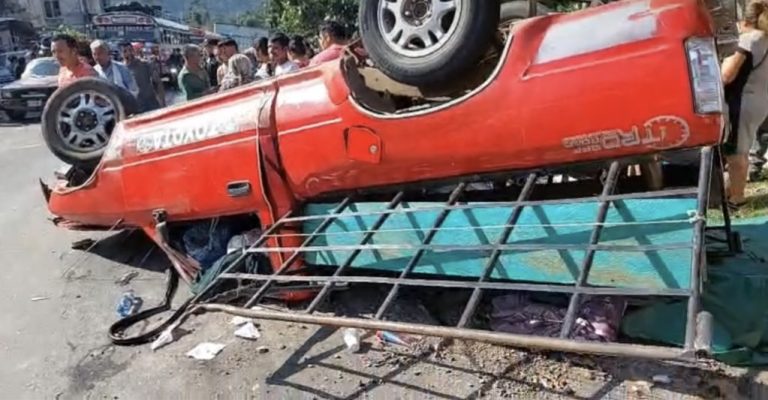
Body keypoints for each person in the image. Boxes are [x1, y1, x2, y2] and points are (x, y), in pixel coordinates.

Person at [721, 0, 768, 208]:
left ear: (743, 20)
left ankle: (737, 198)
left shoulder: (748, 40)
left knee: (736, 152)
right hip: (760, 100)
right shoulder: (765, 38)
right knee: (744, 148)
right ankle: (732, 191)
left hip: (743, 101)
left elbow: (727, 75)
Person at [122, 44, 165, 112]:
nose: (128, 53)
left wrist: (163, 103)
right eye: (125, 51)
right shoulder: (121, 70)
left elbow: (157, 82)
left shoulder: (145, 64)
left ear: (133, 51)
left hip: (151, 105)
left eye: (130, 50)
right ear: (122, 54)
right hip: (135, 109)